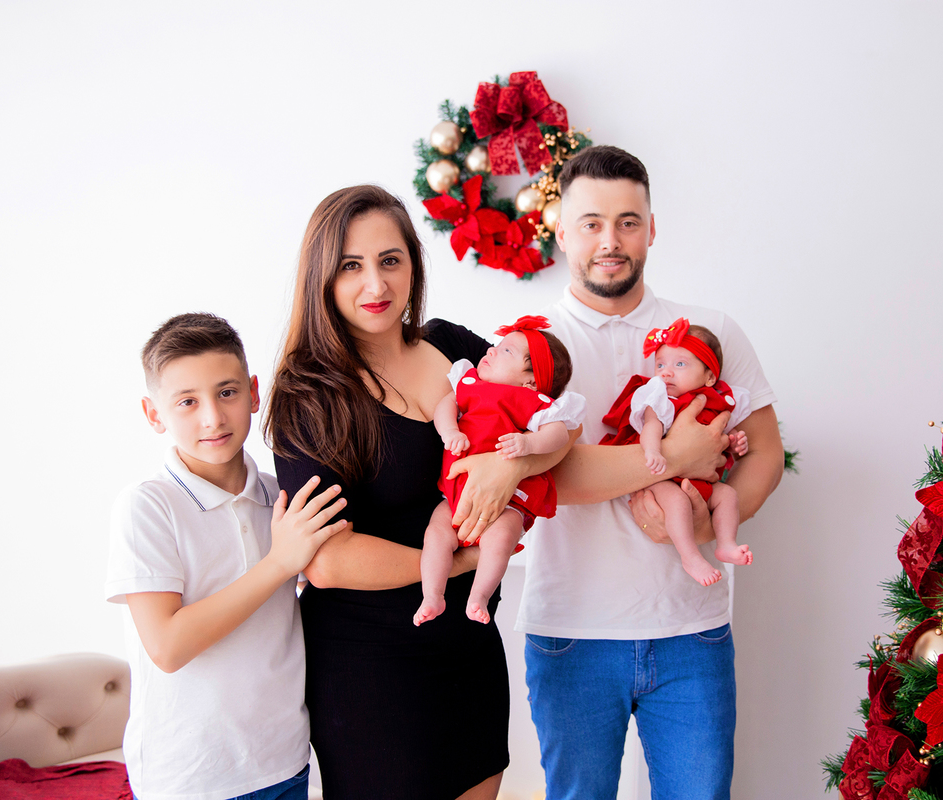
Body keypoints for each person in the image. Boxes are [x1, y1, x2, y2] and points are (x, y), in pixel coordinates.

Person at [264, 186, 577, 800]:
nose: (374, 283)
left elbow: (552, 420)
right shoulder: (308, 393)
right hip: (368, 664)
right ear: (322, 278)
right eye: (351, 266)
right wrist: (455, 562)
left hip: (465, 645)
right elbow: (325, 560)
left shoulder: (452, 347)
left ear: (413, 263)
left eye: (390, 259)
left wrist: (509, 471)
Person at [517, 146, 784, 800]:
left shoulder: (711, 333)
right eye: (591, 223)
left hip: (690, 634)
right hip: (570, 635)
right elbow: (546, 475)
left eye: (628, 221)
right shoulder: (532, 344)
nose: (610, 240)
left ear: (652, 228)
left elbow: (768, 453)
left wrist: (708, 512)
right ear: (559, 228)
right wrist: (678, 458)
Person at [106, 312, 347, 800]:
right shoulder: (148, 505)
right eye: (187, 402)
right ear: (155, 415)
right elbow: (168, 646)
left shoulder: (283, 499)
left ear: (254, 392)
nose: (212, 417)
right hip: (192, 777)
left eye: (227, 392)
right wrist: (280, 563)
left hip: (285, 762)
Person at [417, 316, 585, 626]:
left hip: (508, 501)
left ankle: (479, 595)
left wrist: (529, 444)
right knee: (436, 534)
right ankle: (432, 594)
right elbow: (446, 405)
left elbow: (559, 433)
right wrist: (449, 431)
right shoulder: (469, 384)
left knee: (501, 536)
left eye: (506, 351)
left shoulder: (531, 401)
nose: (492, 350)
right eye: (497, 346)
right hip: (453, 496)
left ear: (530, 381)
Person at [600, 318, 753, 587]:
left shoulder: (721, 400)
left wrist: (736, 443)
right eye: (660, 364)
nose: (666, 373)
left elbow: (720, 439)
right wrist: (654, 451)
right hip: (662, 479)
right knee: (678, 503)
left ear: (710, 376)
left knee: (728, 496)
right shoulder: (661, 398)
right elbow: (651, 426)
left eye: (679, 364)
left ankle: (726, 543)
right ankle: (690, 555)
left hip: (704, 481)